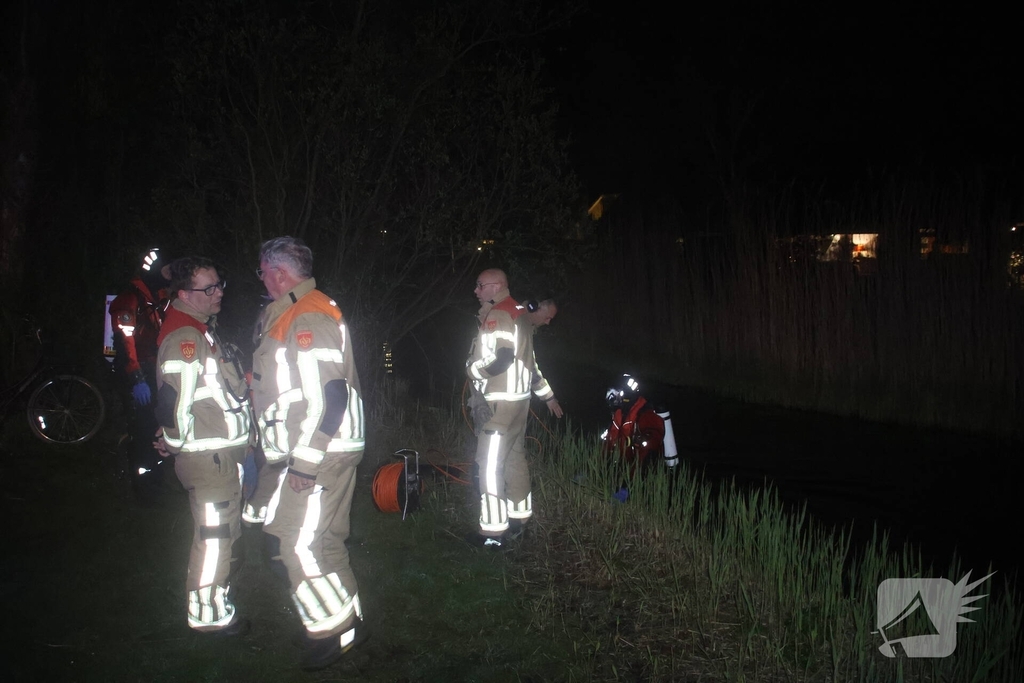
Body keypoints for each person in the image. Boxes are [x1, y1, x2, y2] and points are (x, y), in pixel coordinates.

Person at [251, 236, 368, 671]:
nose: (261, 279)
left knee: (292, 545)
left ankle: (333, 632)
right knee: (326, 542)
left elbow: (330, 394)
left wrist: (305, 460)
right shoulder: (297, 312)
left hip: (321, 451)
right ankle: (352, 620)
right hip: (328, 447)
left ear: (279, 273)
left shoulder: (307, 314)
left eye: (262, 271)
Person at [153, 257, 251, 636]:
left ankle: (218, 598)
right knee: (213, 541)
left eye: (219, 284)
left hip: (220, 458)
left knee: (223, 537)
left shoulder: (201, 330)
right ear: (183, 295)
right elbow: (173, 404)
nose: (218, 292)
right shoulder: (186, 338)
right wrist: (174, 444)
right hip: (207, 461)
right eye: (208, 288)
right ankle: (208, 617)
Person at [465, 271, 561, 548]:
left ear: (496, 286)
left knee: (489, 466)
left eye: (480, 286)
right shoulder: (520, 314)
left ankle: (493, 534)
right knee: (515, 460)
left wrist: (472, 370)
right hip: (520, 404)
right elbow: (530, 365)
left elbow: (503, 358)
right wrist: (549, 397)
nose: (476, 290)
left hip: (500, 407)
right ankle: (520, 519)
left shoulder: (501, 313)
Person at [108, 247, 171, 493]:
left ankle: (156, 479)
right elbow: (125, 343)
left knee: (155, 426)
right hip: (137, 374)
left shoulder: (160, 297)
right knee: (141, 429)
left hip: (155, 370)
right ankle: (143, 485)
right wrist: (136, 378)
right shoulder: (130, 299)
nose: (169, 275)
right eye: (166, 270)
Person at [602, 374, 679, 500]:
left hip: (644, 471)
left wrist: (628, 486)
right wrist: (595, 468)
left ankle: (630, 493)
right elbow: (610, 441)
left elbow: (653, 439)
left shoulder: (644, 412)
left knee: (646, 457)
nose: (612, 399)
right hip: (626, 465)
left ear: (625, 394)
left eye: (615, 394)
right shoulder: (620, 414)